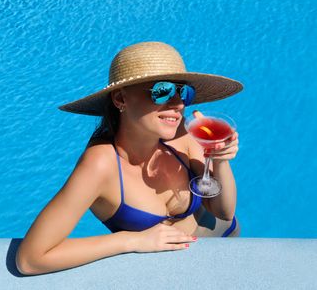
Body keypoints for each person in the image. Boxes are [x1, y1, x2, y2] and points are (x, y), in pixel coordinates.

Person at [16, 41, 243, 275]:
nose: (178, 104)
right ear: (120, 99)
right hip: (172, 273)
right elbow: (30, 259)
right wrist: (131, 241)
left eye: (183, 92)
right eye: (162, 91)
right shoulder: (101, 165)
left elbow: (223, 212)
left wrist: (219, 159)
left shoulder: (183, 135)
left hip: (225, 242)